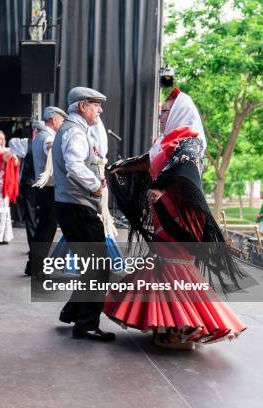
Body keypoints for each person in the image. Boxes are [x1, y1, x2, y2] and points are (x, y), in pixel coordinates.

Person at [105, 87, 246, 348]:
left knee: (174, 266)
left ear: (179, 112)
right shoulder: (166, 140)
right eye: (160, 111)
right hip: (164, 211)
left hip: (181, 215)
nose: (161, 115)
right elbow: (149, 161)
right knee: (163, 265)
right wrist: (122, 166)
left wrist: (159, 186)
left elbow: (183, 164)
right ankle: (171, 326)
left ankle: (185, 329)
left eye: (165, 111)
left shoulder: (190, 139)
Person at [52, 87, 115, 341]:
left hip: (71, 206)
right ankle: (86, 325)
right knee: (100, 267)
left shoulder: (73, 130)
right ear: (82, 106)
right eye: (95, 105)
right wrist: (96, 186)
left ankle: (73, 312)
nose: (99, 110)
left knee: (91, 265)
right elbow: (74, 166)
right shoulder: (75, 133)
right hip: (77, 207)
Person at [27, 106, 67, 278]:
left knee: (44, 226)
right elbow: (52, 149)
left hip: (43, 187)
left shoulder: (39, 136)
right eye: (61, 118)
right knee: (47, 228)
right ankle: (38, 268)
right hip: (49, 188)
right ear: (53, 118)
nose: (63, 122)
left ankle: (32, 265)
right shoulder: (48, 138)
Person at [8, 128, 37, 273]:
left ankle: (35, 250)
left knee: (39, 220)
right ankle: (34, 250)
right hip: (31, 184)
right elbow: (12, 143)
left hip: (40, 184)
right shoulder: (27, 144)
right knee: (32, 219)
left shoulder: (32, 144)